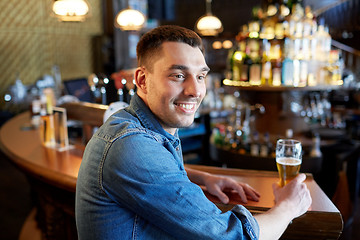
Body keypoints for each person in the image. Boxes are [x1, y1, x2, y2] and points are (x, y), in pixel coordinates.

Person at [75, 25, 312, 240]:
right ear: (142, 80)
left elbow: (152, 167)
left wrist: (199, 177)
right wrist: (288, 207)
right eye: (178, 76)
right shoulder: (130, 145)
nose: (196, 90)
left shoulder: (130, 125)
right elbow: (231, 236)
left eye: (200, 76)